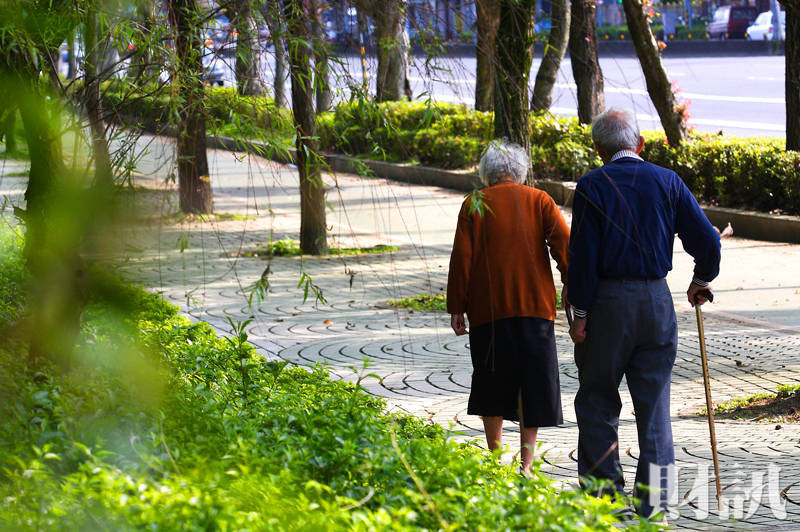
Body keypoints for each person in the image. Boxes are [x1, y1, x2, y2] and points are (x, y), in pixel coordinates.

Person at [565, 108, 721, 516]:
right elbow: (708, 241)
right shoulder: (668, 181)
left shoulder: (592, 185)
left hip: (607, 305)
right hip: (656, 302)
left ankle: (604, 499)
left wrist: (579, 314)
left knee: (598, 400)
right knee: (654, 407)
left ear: (598, 149)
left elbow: (582, 259)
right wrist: (701, 279)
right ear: (640, 143)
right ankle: (655, 503)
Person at [447, 139, 570, 475]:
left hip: (488, 309)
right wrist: (571, 284)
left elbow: (462, 258)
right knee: (533, 384)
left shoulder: (474, 203)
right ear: (520, 171)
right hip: (535, 307)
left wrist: (457, 306)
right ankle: (526, 465)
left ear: (486, 173)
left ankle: (495, 459)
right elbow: (564, 244)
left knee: (491, 383)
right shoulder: (539, 200)